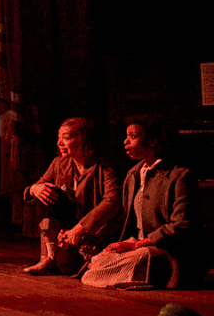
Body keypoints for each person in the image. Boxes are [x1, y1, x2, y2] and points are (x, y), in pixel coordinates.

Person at [80, 117, 202, 289]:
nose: (125, 141)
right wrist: (97, 240)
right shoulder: (134, 174)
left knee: (140, 258)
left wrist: (138, 244)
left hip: (170, 251)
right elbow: (124, 219)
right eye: (126, 136)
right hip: (137, 246)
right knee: (101, 259)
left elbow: (181, 225)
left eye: (133, 136)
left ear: (152, 141)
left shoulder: (180, 176)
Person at [20, 117, 122, 275]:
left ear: (84, 140)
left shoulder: (104, 165)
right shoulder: (59, 163)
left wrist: (79, 229)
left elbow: (113, 201)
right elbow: (35, 188)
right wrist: (34, 189)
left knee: (67, 265)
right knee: (45, 191)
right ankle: (48, 256)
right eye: (59, 138)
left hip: (92, 230)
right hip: (66, 230)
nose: (60, 143)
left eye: (66, 138)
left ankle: (64, 258)